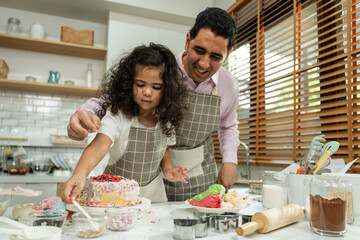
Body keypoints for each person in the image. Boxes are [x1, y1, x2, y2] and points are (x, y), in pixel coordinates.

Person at [66, 7, 240, 201]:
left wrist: (230, 163)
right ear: (187, 40)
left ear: (229, 53)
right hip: (156, 176)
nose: (204, 64)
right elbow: (112, 100)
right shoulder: (162, 70)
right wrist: (86, 113)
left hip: (200, 173)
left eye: (216, 57)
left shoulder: (229, 85)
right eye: (199, 51)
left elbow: (228, 125)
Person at [61, 43, 190, 204]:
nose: (147, 92)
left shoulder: (166, 118)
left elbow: (164, 148)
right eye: (140, 84)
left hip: (154, 196)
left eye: (156, 87)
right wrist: (79, 174)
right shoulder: (119, 116)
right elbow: (98, 146)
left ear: (167, 90)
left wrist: (168, 170)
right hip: (115, 196)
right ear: (129, 83)